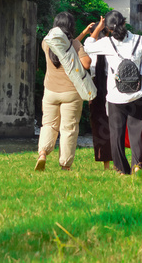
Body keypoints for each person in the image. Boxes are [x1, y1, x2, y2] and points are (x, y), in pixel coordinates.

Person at [84, 10, 142, 175]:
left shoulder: (107, 43)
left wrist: (97, 28)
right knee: (137, 132)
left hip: (116, 96)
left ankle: (121, 169)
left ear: (108, 29)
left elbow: (87, 47)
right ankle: (137, 166)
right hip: (139, 93)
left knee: (117, 134)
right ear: (124, 22)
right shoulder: (140, 40)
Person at [35, 12, 93, 171]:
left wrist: (81, 37)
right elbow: (86, 64)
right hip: (71, 93)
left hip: (50, 92)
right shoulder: (74, 45)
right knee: (68, 128)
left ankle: (42, 154)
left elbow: (62, 48)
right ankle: (65, 165)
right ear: (70, 26)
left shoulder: (46, 43)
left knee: (48, 124)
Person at [87, 22, 113, 170]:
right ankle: (118, 159)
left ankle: (106, 164)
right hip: (112, 89)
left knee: (98, 125)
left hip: (94, 90)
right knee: (114, 126)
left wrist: (94, 30)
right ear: (107, 32)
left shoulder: (90, 49)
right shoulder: (113, 45)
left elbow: (88, 42)